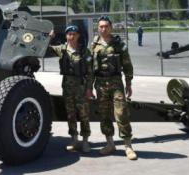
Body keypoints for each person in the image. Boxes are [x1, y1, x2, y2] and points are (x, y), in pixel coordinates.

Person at [91, 15, 137, 160]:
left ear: (111, 27)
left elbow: (127, 64)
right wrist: (88, 87)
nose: (103, 29)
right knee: (104, 115)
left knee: (122, 113)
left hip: (116, 82)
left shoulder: (118, 44)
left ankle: (128, 146)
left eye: (106, 26)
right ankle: (110, 144)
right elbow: (90, 67)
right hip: (100, 83)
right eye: (101, 26)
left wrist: (129, 82)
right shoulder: (94, 45)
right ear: (98, 28)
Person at [48, 25, 93, 153]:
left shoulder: (85, 52)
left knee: (84, 114)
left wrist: (89, 88)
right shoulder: (61, 49)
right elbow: (45, 49)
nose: (71, 37)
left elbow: (90, 72)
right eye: (69, 34)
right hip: (67, 87)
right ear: (66, 36)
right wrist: (49, 38)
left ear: (78, 36)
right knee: (71, 114)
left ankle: (85, 141)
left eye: (74, 34)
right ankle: (74, 140)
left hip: (81, 87)